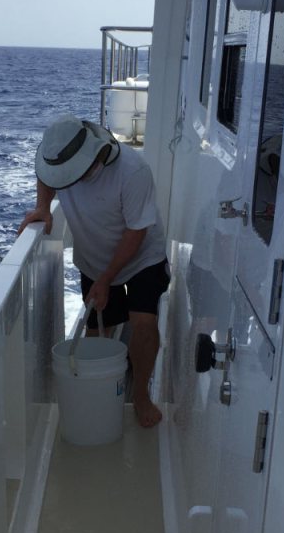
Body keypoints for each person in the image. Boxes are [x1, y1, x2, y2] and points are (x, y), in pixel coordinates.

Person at [19, 114, 170, 429]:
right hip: (93, 258)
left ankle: (140, 394)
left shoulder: (132, 172)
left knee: (143, 325)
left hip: (142, 257)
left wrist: (107, 279)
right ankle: (97, 392)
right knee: (98, 329)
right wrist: (43, 207)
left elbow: (136, 232)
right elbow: (46, 176)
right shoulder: (60, 161)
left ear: (94, 156)